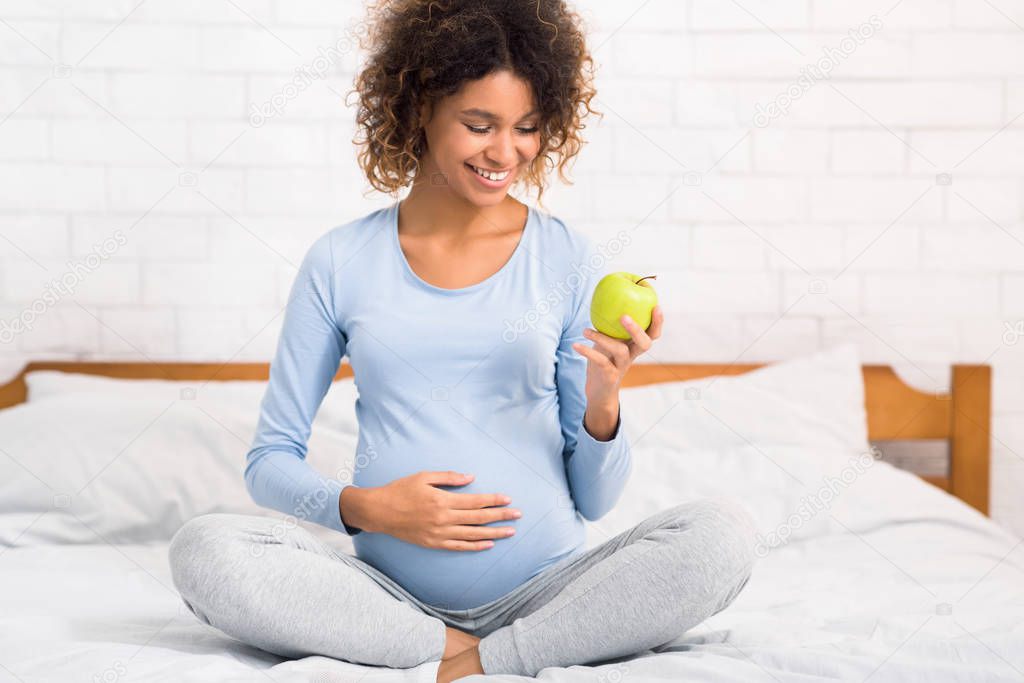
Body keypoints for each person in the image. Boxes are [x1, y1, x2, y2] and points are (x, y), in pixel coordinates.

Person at [168, 1, 756, 681]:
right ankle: (444, 643)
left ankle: (485, 657)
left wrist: (603, 402)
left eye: (527, 128)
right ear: (419, 109)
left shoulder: (568, 259)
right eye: (480, 125)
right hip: (387, 597)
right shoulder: (339, 262)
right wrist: (368, 508)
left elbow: (597, 502)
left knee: (723, 536)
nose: (506, 153)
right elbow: (270, 462)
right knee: (205, 548)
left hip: (550, 592)